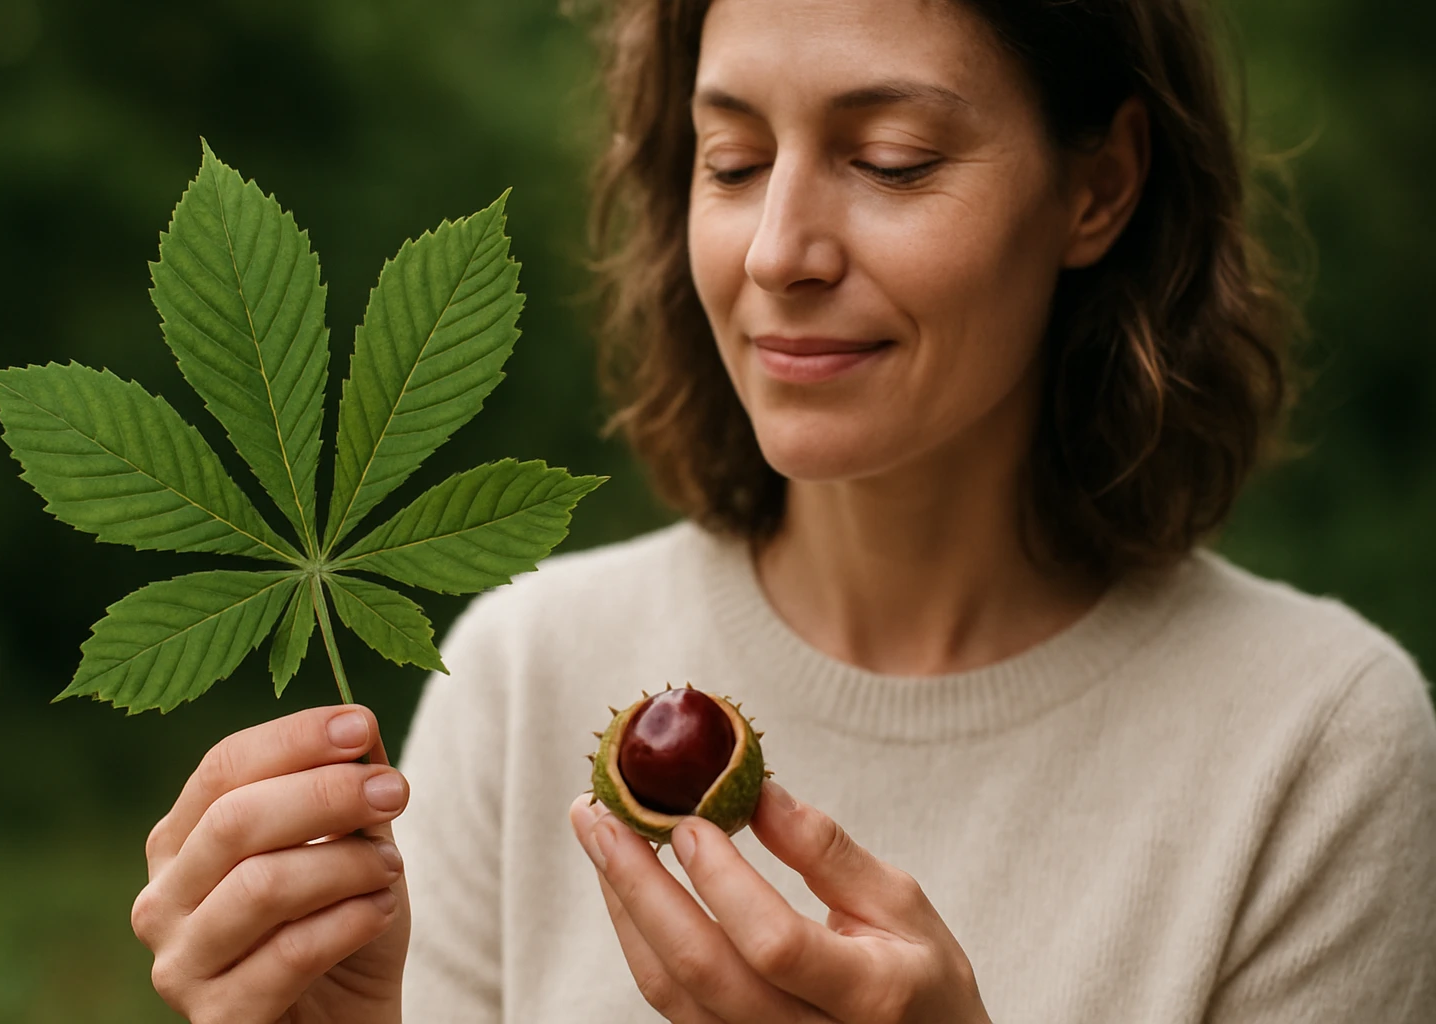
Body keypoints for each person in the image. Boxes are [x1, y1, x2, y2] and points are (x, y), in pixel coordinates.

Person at [129, 0, 1436, 1021]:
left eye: (891, 158)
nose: (777, 252)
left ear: (1097, 187)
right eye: (736, 159)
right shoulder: (520, 672)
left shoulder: (1316, 746)